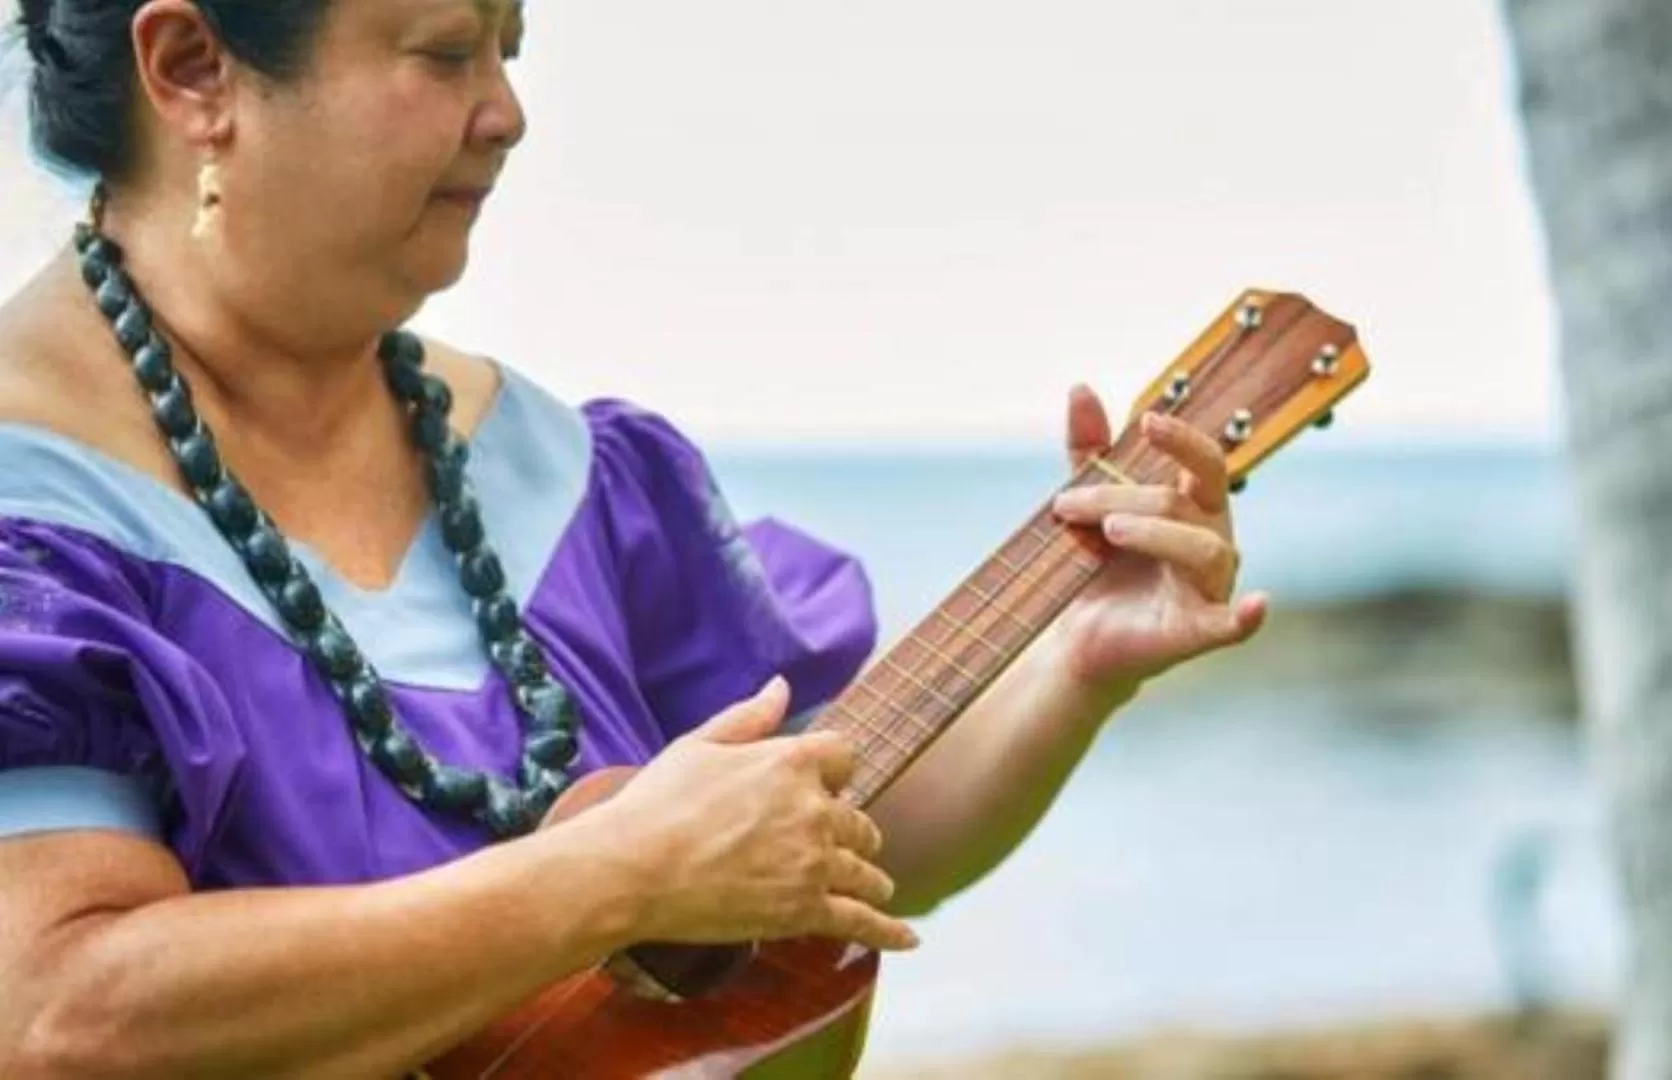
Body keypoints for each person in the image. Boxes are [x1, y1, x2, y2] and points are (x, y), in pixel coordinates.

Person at [0, 1, 1270, 1076]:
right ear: (192, 70)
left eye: (511, 47)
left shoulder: (563, 472)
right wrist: (615, 878)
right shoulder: (31, 514)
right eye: (444, 52)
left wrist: (1072, 662)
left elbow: (827, 846)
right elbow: (61, 1009)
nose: (506, 111)